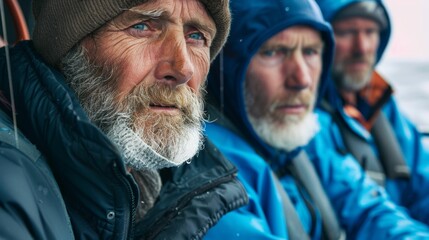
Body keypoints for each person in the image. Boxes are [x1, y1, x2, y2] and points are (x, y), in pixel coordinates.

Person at [0, 0, 248, 239]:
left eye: (196, 36)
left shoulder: (175, 190)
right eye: (141, 27)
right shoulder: (9, 180)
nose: (183, 69)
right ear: (68, 51)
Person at [203, 0, 429, 238]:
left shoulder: (306, 135)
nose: (301, 79)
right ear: (227, 66)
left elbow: (368, 207)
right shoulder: (210, 175)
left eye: (311, 52)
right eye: (273, 52)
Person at [315, 0, 429, 225]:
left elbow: (423, 184)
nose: (362, 47)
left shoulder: (384, 106)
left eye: (371, 32)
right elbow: (363, 213)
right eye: (347, 32)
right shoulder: (305, 119)